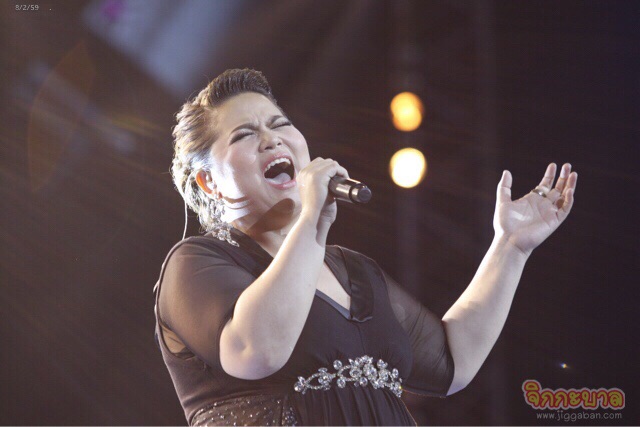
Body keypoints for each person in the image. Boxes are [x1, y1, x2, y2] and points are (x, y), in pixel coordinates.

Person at [153, 68, 578, 426]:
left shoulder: (355, 272)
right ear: (209, 182)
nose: (271, 139)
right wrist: (311, 219)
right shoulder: (195, 263)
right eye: (245, 135)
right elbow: (255, 350)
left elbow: (453, 363)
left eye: (279, 124)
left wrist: (510, 247)